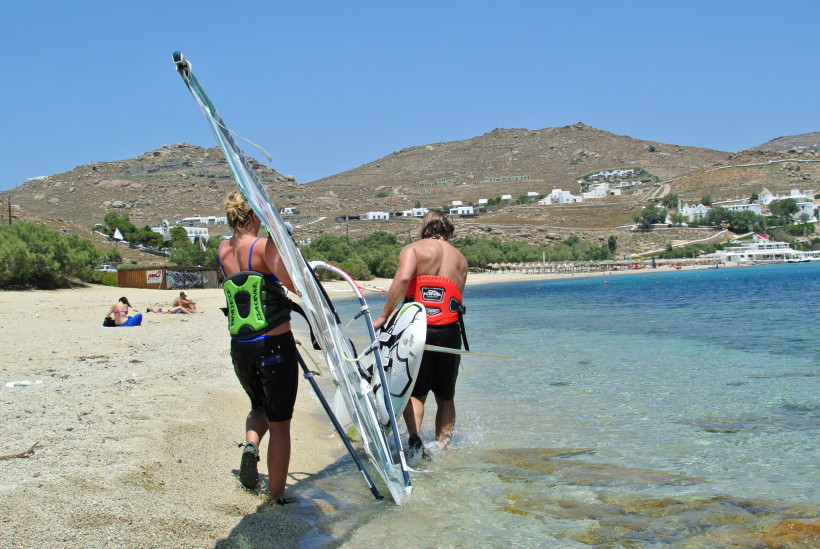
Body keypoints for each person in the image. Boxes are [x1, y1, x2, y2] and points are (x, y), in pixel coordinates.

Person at [217, 190, 299, 504]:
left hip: (241, 349)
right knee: (280, 425)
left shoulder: (223, 250)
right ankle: (277, 498)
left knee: (258, 406)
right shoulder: (263, 247)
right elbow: (294, 283)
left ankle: (251, 444)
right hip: (273, 345)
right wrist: (284, 244)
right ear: (254, 216)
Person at [373, 210, 468, 460]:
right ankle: (442, 451)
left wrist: (384, 316)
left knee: (415, 393)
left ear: (425, 227)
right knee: (445, 396)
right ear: (447, 228)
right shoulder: (461, 260)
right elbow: (455, 297)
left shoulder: (413, 249)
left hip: (417, 330)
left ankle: (415, 441)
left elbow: (404, 278)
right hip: (450, 331)